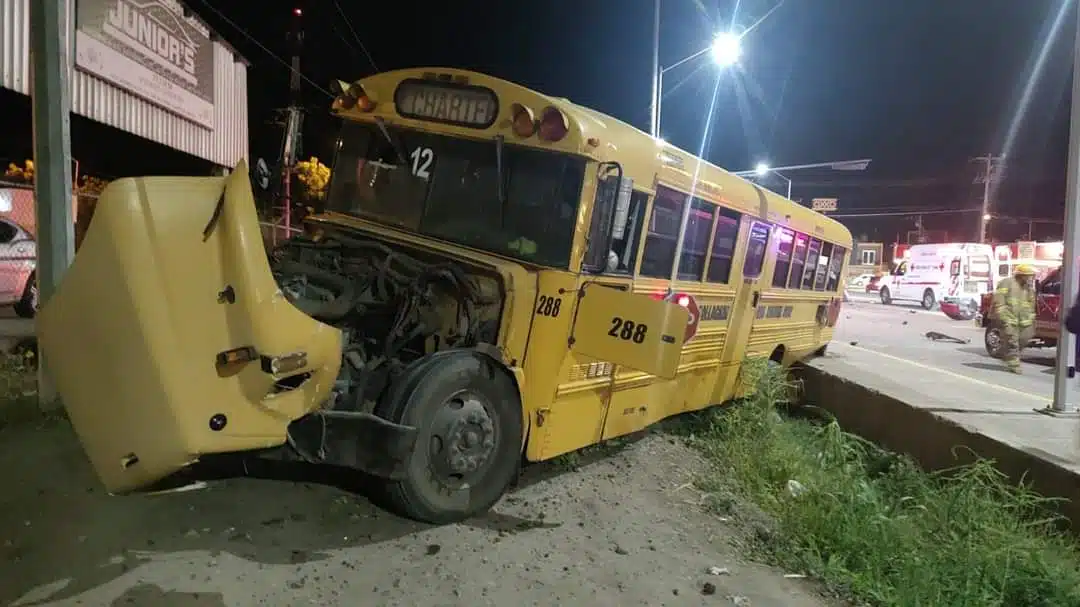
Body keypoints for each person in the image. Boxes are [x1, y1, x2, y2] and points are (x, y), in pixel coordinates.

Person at [992, 263, 1037, 373]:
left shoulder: (1028, 287)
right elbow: (999, 298)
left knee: (1025, 338)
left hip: (1024, 319)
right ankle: (1014, 365)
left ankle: (1007, 353)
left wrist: (1031, 315)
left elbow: (1031, 302)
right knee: (1013, 341)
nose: (1030, 278)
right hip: (1009, 317)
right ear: (1021, 275)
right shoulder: (1007, 282)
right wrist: (1002, 314)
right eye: (1028, 275)